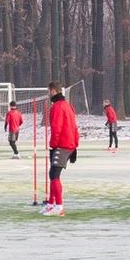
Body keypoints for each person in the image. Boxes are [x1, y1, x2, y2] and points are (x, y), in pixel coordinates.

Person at [40, 81, 79, 217]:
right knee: (53, 174)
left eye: (48, 91)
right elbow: (75, 127)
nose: (47, 94)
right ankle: (51, 205)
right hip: (68, 144)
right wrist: (75, 146)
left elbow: (57, 127)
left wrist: (53, 144)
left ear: (52, 91)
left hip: (61, 144)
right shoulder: (69, 106)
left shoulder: (57, 106)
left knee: (54, 175)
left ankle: (59, 207)